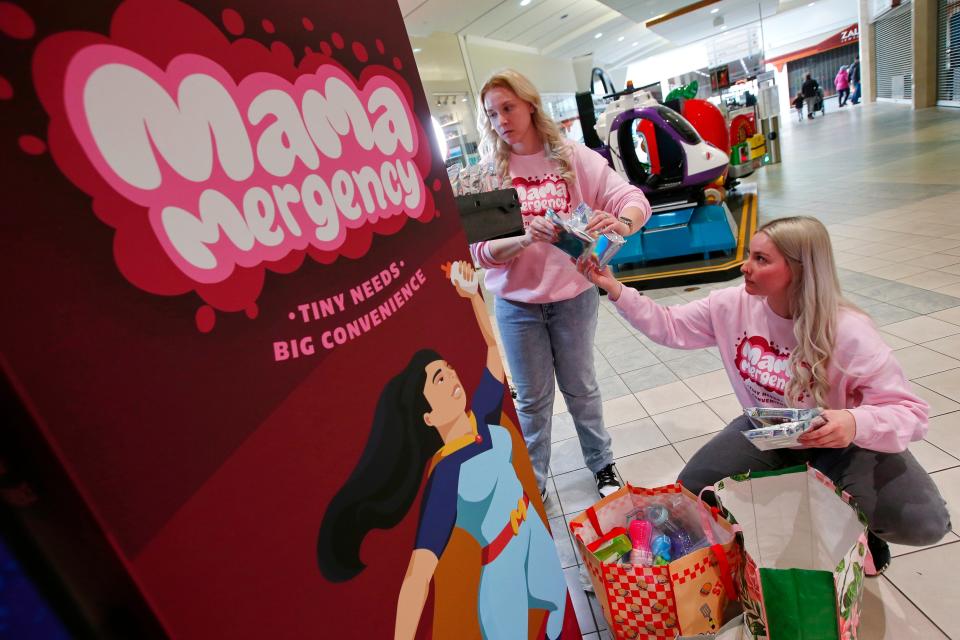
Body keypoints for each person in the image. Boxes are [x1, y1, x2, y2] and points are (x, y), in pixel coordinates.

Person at [577, 216, 951, 575]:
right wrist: (615, 289)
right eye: (750, 255)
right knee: (693, 493)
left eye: (761, 259)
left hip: (841, 439)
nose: (745, 267)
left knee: (923, 521)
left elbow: (910, 412)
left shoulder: (848, 331)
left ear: (799, 270)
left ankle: (862, 528)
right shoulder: (731, 305)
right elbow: (670, 326)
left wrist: (854, 422)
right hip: (768, 428)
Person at [317, 261, 567, 639]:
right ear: (428, 417)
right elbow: (418, 574)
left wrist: (473, 298)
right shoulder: (446, 475)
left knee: (559, 614)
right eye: (438, 378)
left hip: (531, 530)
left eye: (447, 368)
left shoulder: (480, 417)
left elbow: (490, 351)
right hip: (504, 568)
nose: (451, 375)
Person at [471, 68, 652, 500]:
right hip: (517, 305)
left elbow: (633, 200)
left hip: (573, 297)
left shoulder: (570, 158)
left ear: (530, 104)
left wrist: (620, 223)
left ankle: (602, 464)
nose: (501, 121)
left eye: (508, 108)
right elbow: (477, 251)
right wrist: (520, 240)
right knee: (532, 401)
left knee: (581, 387)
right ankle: (533, 481)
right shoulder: (491, 173)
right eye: (492, 114)